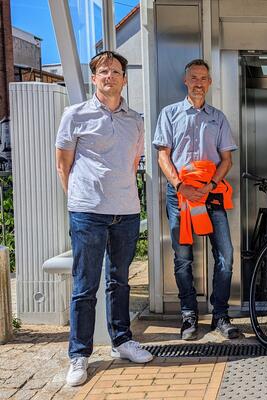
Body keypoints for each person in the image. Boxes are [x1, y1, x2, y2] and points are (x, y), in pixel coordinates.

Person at [55, 51, 153, 387]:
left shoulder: (135, 119)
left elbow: (133, 160)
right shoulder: (75, 115)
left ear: (125, 78)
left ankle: (122, 341)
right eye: (102, 71)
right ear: (94, 78)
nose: (109, 76)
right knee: (85, 286)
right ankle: (79, 355)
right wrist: (79, 200)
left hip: (125, 210)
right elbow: (62, 164)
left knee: (120, 281)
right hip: (87, 213)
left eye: (115, 71)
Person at [153, 59, 240, 341]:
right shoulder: (169, 114)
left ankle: (221, 316)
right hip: (179, 194)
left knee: (225, 257)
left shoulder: (218, 117)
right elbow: (163, 155)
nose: (199, 83)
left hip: (210, 193)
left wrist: (211, 184)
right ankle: (189, 315)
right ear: (185, 80)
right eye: (194, 78)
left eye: (204, 78)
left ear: (210, 82)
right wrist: (179, 185)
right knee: (182, 259)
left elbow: (227, 159)